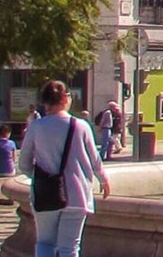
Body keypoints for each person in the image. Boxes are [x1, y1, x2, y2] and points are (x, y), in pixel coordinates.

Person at [20, 80, 110, 257]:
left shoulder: (36, 127)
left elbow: (23, 163)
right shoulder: (81, 126)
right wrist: (104, 180)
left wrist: (41, 178)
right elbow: (94, 160)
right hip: (77, 194)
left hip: (46, 194)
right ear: (65, 98)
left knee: (45, 242)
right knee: (70, 247)